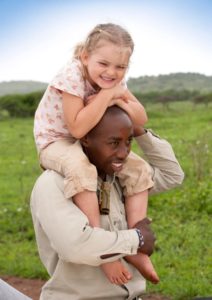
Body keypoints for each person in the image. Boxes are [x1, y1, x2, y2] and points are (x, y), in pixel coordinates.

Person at [33, 23, 158, 283]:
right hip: (56, 141)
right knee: (81, 168)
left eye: (120, 67)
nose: (111, 72)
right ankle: (107, 254)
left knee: (139, 169)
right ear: (85, 57)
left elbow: (141, 118)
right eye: (104, 64)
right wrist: (108, 96)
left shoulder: (113, 81)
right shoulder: (71, 76)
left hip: (91, 140)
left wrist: (117, 94)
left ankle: (137, 240)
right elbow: (77, 128)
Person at [31, 106, 184, 300]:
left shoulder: (123, 175)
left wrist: (137, 129)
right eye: (113, 142)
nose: (123, 153)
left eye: (128, 142)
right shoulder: (53, 183)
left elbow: (172, 175)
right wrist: (137, 239)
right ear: (85, 138)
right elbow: (75, 247)